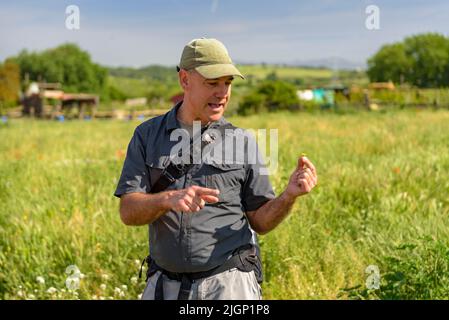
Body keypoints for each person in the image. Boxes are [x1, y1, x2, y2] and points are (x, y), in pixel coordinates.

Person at [114, 38, 318, 300]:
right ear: (185, 80)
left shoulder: (242, 142)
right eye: (212, 83)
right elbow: (128, 212)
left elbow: (261, 221)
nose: (223, 93)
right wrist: (167, 199)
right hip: (165, 286)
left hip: (229, 287)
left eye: (228, 83)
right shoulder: (146, 136)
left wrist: (289, 196)